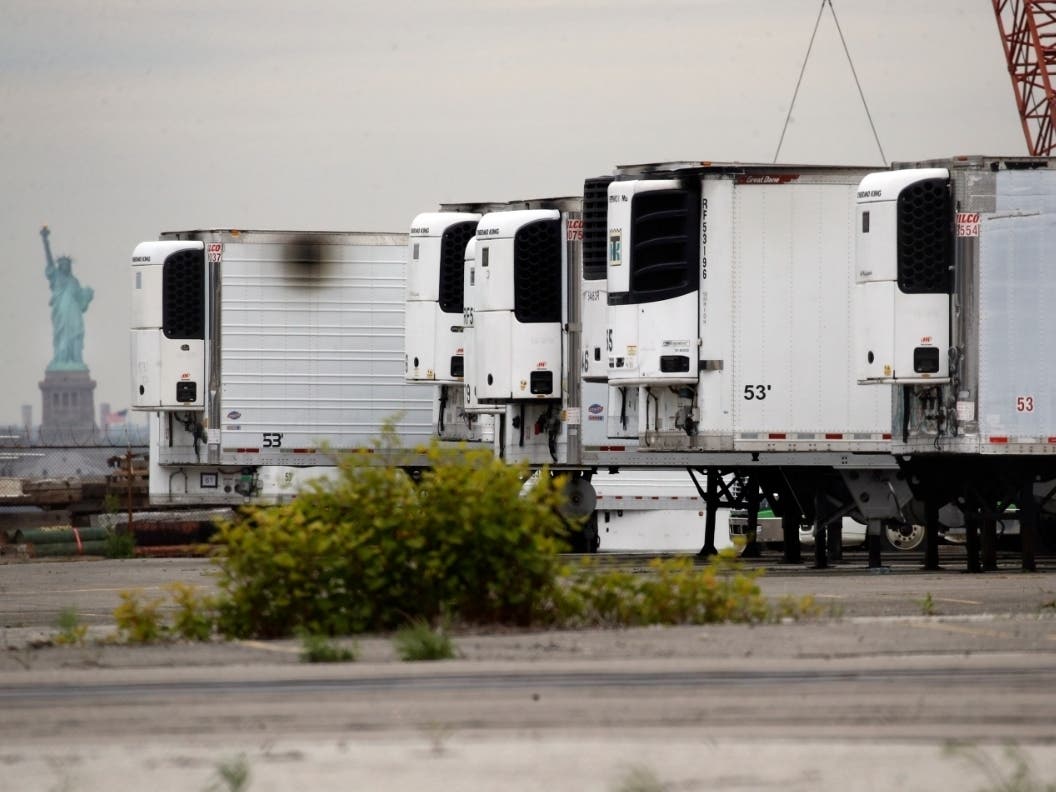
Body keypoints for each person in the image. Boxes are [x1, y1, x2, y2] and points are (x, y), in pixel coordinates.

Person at [41, 226, 94, 370]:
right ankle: (62, 358)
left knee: (76, 334)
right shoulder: (56, 277)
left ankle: (75, 359)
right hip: (62, 313)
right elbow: (49, 262)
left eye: (66, 264)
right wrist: (45, 241)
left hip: (74, 313)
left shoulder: (74, 281)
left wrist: (88, 294)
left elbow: (82, 302)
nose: (64, 266)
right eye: (62, 264)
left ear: (69, 266)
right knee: (62, 335)